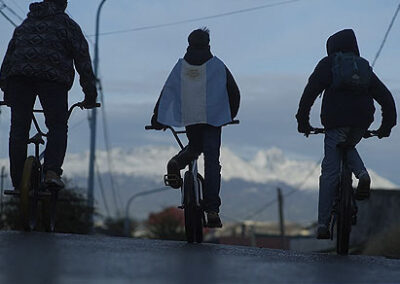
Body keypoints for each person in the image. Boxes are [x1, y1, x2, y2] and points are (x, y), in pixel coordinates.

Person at [296, 29, 397, 239]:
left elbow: (310, 91)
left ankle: (323, 224)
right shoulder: (362, 67)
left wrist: (303, 121)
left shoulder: (329, 63)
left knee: (329, 173)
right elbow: (386, 97)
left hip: (336, 121)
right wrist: (385, 127)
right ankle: (362, 174)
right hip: (361, 121)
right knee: (348, 145)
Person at [0, 0, 98, 190]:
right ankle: (51, 172)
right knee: (57, 125)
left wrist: (6, 90)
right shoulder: (67, 25)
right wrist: (90, 96)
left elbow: (8, 59)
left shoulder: (25, 25)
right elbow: (83, 62)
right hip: (52, 80)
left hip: (19, 79)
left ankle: (19, 183)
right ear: (63, 4)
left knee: (19, 129)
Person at [150, 28, 240, 228]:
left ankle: (177, 161)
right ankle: (212, 209)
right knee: (212, 161)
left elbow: (168, 91)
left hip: (191, 118)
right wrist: (229, 115)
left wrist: (158, 118)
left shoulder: (181, 67)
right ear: (208, 44)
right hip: (214, 120)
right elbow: (234, 92)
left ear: (189, 44)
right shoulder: (217, 66)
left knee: (195, 146)